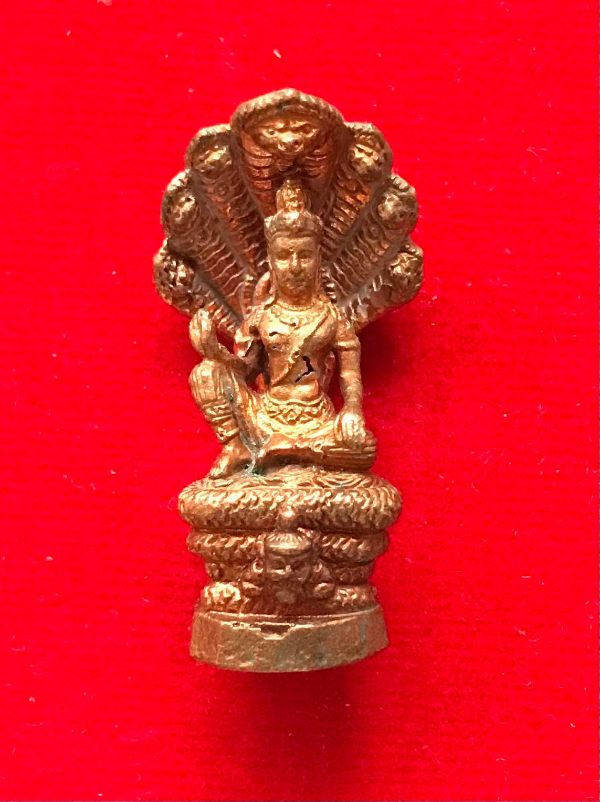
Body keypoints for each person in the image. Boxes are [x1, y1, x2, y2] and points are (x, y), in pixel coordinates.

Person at [188, 180, 376, 478]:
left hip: (317, 420)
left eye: (305, 255)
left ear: (317, 260)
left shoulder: (332, 317)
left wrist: (352, 410)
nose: (295, 266)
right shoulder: (262, 316)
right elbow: (244, 371)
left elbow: (350, 374)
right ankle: (238, 446)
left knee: (363, 446)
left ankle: (282, 450)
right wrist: (215, 352)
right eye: (285, 256)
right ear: (272, 262)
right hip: (265, 415)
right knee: (206, 373)